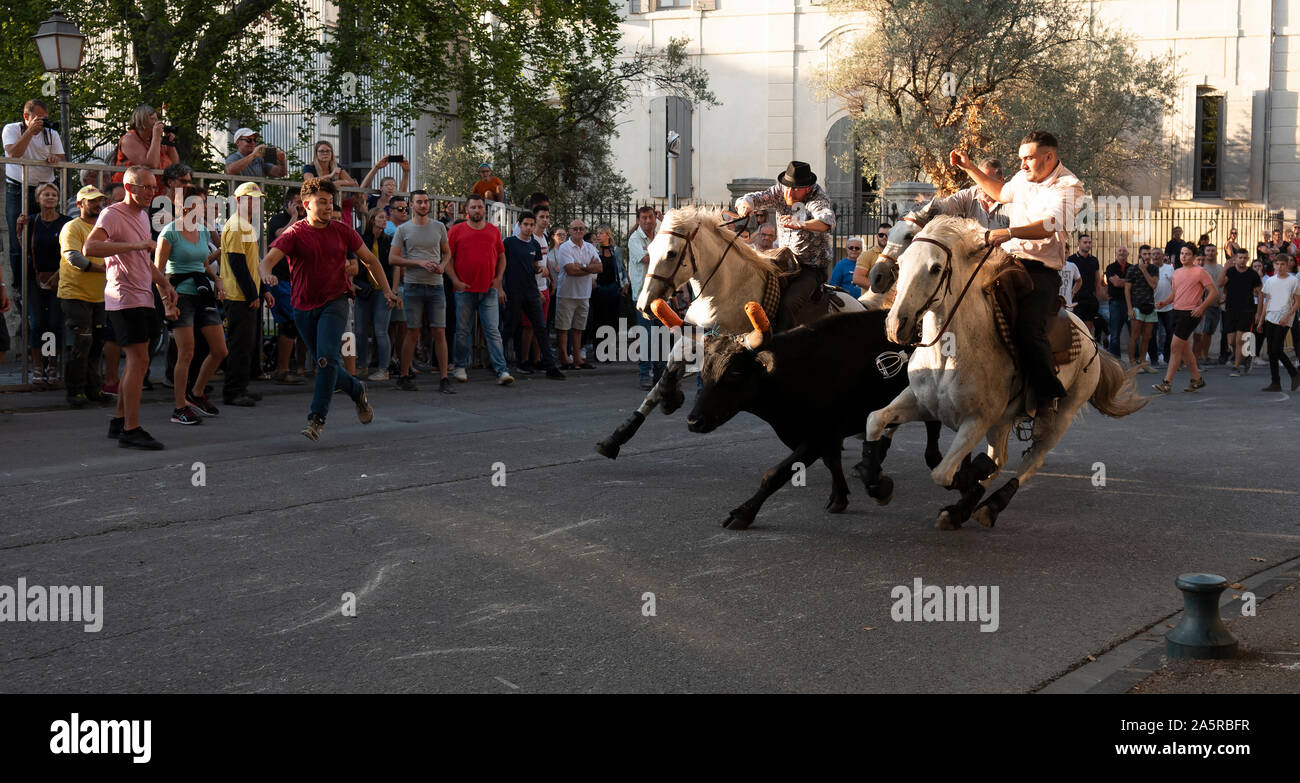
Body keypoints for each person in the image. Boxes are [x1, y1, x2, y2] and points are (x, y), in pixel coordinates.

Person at [950, 131, 1081, 415]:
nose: (1022, 165)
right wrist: (969, 167)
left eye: (1028, 158)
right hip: (1006, 262)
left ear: (1049, 157)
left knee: (1027, 328)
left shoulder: (1069, 186)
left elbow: (1049, 224)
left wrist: (1008, 232)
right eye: (1021, 158)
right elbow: (998, 192)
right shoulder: (1022, 179)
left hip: (1040, 271)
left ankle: (1047, 397)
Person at [259, 177, 398, 440]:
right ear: (305, 205)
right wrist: (266, 274)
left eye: (329, 202)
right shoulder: (294, 233)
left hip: (335, 301)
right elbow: (266, 262)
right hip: (302, 307)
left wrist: (387, 290)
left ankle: (316, 419)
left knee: (325, 359)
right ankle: (357, 390)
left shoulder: (343, 230)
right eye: (321, 202)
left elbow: (370, 260)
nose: (327, 207)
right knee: (328, 364)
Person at [83, 165, 178, 449]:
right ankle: (131, 428)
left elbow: (144, 261)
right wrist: (133, 244)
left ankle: (119, 420)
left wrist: (165, 285)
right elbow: (89, 249)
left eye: (153, 187)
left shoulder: (142, 217)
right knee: (139, 360)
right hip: (124, 298)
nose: (152, 192)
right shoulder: (111, 214)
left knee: (139, 361)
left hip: (143, 296)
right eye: (145, 187)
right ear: (129, 187)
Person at [157, 184, 227, 424]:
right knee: (186, 352)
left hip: (203, 292)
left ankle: (196, 393)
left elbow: (205, 261)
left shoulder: (203, 231)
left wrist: (217, 280)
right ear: (181, 205)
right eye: (196, 202)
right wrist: (167, 302)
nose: (201, 207)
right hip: (180, 295)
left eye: (203, 203)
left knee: (219, 350)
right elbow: (157, 271)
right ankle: (179, 407)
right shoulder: (169, 232)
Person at [735, 161, 836, 318]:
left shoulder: (817, 198)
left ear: (808, 188)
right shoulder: (780, 191)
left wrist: (801, 224)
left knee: (788, 304)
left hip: (811, 268)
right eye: (787, 186)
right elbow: (754, 198)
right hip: (783, 261)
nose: (789, 193)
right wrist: (745, 205)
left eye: (795, 189)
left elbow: (826, 222)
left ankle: (780, 341)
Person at [390, 190, 454, 393]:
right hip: (413, 285)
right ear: (411, 205)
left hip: (436, 285)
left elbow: (447, 252)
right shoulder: (403, 230)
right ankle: (404, 375)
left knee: (439, 331)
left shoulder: (439, 227)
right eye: (419, 202)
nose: (424, 205)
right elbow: (393, 258)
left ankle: (444, 378)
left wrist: (443, 266)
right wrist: (417, 262)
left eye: (426, 202)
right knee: (412, 331)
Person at [444, 194, 512, 385]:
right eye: (473, 207)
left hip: (489, 289)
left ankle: (501, 370)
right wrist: (455, 280)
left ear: (485, 209)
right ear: (467, 210)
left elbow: (502, 257)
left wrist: (498, 279)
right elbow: (447, 259)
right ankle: (459, 366)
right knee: (463, 331)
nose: (477, 210)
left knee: (492, 331)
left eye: (480, 207)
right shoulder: (456, 231)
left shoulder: (493, 231)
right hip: (464, 290)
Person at [5, 99, 66, 301]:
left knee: (47, 236)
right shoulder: (12, 129)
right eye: (38, 119)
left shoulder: (52, 133)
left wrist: (56, 160)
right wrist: (30, 132)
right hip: (18, 188)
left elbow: (62, 159)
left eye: (45, 119)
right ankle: (19, 287)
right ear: (26, 117)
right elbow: (14, 153)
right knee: (18, 238)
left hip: (44, 190)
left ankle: (47, 279)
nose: (42, 124)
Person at [221, 182, 274, 407]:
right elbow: (237, 263)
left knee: (247, 345)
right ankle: (233, 391)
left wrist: (263, 291)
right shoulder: (235, 226)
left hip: (246, 294)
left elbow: (252, 264)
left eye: (256, 199)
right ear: (239, 201)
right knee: (240, 345)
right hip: (238, 295)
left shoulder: (245, 226)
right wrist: (253, 294)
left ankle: (240, 387)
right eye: (250, 199)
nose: (254, 203)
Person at [59, 185, 111, 406]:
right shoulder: (72, 227)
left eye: (100, 200)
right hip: (75, 294)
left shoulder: (104, 230)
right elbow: (73, 256)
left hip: (100, 296)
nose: (98, 205)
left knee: (97, 344)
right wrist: (103, 270)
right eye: (92, 201)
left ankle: (93, 389)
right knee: (83, 341)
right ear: (80, 204)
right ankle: (75, 391)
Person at [15, 182, 71, 384]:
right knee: (38, 323)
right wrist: (19, 229)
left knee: (54, 323)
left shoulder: (66, 222)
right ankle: (38, 367)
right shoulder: (31, 221)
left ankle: (52, 366)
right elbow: (25, 250)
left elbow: (71, 250)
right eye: (46, 194)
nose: (50, 197)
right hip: (35, 279)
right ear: (38, 199)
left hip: (59, 278)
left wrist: (59, 274)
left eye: (54, 194)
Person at [501, 211, 564, 380]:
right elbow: (500, 265)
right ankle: (498, 364)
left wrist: (540, 270)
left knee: (541, 328)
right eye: (525, 225)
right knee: (509, 327)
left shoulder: (534, 245)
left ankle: (551, 367)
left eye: (531, 225)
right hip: (514, 292)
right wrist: (500, 288)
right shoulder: (509, 243)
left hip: (531, 291)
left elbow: (534, 265)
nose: (529, 228)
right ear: (519, 225)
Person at [1151, 245, 1217, 393]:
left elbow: (1213, 292)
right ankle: (1197, 379)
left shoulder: (1200, 272)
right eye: (1182, 253)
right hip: (1176, 312)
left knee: (1175, 347)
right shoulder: (1176, 272)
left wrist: (1201, 308)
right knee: (1185, 349)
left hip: (1191, 314)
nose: (1183, 256)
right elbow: (1174, 293)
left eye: (1187, 254)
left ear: (1194, 257)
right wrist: (1164, 303)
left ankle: (1166, 382)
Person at [354, 208, 397, 383]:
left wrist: (392, 291)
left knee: (380, 330)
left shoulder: (388, 240)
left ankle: (383, 369)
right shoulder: (361, 238)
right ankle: (362, 365)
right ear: (372, 220)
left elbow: (395, 267)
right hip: (363, 289)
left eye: (385, 217)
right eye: (381, 217)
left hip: (382, 291)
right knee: (360, 330)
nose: (385, 220)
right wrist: (354, 284)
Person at [554, 217, 602, 370]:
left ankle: (577, 359)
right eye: (575, 229)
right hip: (567, 293)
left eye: (581, 228)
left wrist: (582, 266)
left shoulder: (589, 247)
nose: (578, 231)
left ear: (585, 231)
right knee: (563, 328)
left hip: (584, 293)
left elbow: (599, 267)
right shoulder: (565, 248)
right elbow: (570, 270)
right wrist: (589, 268)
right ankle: (564, 358)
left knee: (578, 328)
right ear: (569, 231)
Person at [626, 205, 665, 389]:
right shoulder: (634, 239)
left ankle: (659, 375)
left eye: (651, 217)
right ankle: (644, 374)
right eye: (644, 217)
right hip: (643, 295)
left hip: (660, 294)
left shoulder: (659, 235)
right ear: (639, 220)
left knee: (660, 335)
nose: (648, 221)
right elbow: (648, 259)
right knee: (646, 336)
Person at [1256, 254, 1300, 391]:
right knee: (1271, 350)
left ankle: (1294, 373)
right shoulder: (1270, 281)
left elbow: (1297, 302)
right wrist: (1261, 321)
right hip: (1270, 317)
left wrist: (1287, 316)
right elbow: (1266, 301)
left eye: (1282, 264)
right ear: (1274, 265)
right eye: (1277, 264)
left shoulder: (1293, 281)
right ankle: (1275, 382)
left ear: (1287, 265)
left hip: (1284, 317)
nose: (1280, 267)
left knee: (1276, 348)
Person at [111, 105, 178, 186]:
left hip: (154, 190)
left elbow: (175, 165)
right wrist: (156, 137)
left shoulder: (155, 141)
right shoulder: (129, 139)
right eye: (152, 119)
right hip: (129, 189)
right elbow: (151, 164)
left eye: (157, 119)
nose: (156, 123)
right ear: (142, 121)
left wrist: (170, 143)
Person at [933, 158, 1009, 229]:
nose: (981, 185)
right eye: (979, 180)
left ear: (1001, 181)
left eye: (986, 181)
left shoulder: (1011, 201)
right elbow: (943, 206)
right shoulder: (968, 195)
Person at [1221, 248, 1262, 377]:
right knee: (1231, 341)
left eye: (1245, 258)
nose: (1242, 260)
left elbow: (1260, 294)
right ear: (1235, 259)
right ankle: (1247, 355)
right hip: (1231, 309)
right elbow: (1219, 283)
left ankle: (1236, 366)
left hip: (1247, 310)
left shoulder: (1252, 274)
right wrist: (1225, 268)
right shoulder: (1231, 271)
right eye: (1240, 258)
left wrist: (1258, 313)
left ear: (1247, 259)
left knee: (1240, 340)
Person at [588, 225, 625, 358]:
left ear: (608, 235)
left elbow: (621, 268)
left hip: (614, 288)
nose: (598, 236)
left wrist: (624, 284)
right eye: (597, 233)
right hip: (599, 289)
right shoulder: (593, 251)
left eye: (601, 233)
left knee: (613, 320)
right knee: (599, 319)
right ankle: (599, 350)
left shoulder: (616, 250)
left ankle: (609, 349)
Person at [1125, 246, 1160, 372]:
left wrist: (1144, 270)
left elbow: (1154, 285)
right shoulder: (1132, 269)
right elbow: (1127, 289)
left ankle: (1143, 362)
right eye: (1144, 254)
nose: (1147, 256)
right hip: (1136, 306)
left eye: (1149, 254)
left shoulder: (1153, 268)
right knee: (1134, 336)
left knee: (1147, 336)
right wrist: (1129, 308)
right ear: (1140, 255)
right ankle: (1132, 362)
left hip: (1150, 306)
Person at [1067, 234, 1105, 341]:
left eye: (1089, 242)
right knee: (1076, 329)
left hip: (1090, 300)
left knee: (1087, 332)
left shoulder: (1094, 260)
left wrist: (1096, 299)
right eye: (1085, 242)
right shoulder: (1071, 260)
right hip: (1076, 299)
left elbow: (1097, 281)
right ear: (1078, 244)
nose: (1088, 245)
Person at [1193, 244, 1223, 364]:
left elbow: (1223, 284)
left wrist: (1223, 297)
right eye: (1208, 250)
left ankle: (1205, 355)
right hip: (1203, 304)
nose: (1210, 253)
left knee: (1209, 331)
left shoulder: (1220, 268)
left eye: (1213, 251)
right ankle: (1197, 356)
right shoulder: (1200, 267)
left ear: (1216, 253)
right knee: (1201, 332)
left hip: (1216, 304)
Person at [1103, 246, 1131, 358]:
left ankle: (1135, 358)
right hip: (1115, 304)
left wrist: (1122, 281)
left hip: (1130, 304)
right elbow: (1116, 283)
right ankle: (1115, 359)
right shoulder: (1110, 267)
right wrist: (1128, 282)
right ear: (1116, 254)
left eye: (1124, 251)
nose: (1122, 253)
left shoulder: (1132, 268)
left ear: (1128, 254)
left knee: (1134, 333)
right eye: (1119, 251)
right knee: (1114, 333)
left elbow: (1135, 283)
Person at [851, 223, 890, 291]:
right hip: (871, 300)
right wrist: (881, 290)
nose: (884, 237)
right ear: (877, 236)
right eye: (881, 235)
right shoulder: (867, 255)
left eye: (887, 235)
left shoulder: (897, 254)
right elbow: (857, 278)